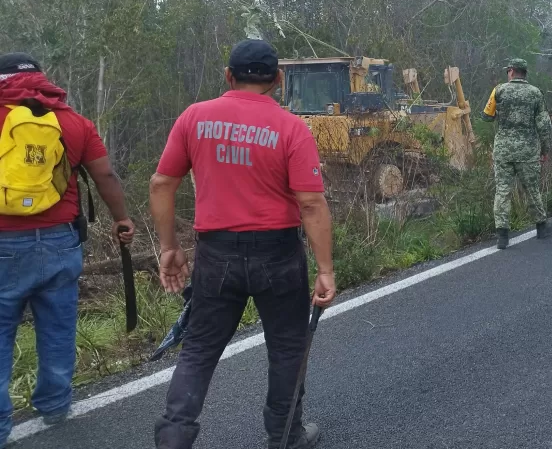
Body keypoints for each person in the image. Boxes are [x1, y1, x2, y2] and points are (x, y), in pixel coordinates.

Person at [150, 39, 336, 449]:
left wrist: (169, 247)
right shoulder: (292, 127)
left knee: (198, 350)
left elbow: (162, 183)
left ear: (228, 76)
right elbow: (310, 203)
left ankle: (174, 438)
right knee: (287, 347)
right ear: (279, 80)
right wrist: (325, 269)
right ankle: (285, 435)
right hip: (279, 254)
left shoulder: (194, 118)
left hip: (216, 255)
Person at [0, 53, 134, 447]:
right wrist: (121, 218)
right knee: (57, 327)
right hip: (59, 241)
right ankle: (56, 405)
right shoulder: (74, 122)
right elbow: (104, 174)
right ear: (43, 80)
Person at [482, 58, 552, 250]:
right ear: (525, 72)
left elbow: (486, 116)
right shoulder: (535, 93)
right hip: (528, 151)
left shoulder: (499, 90)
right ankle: (541, 226)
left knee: (502, 191)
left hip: (503, 151)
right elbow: (544, 125)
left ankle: (502, 236)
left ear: (512, 71)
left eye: (508, 71)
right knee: (532, 189)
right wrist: (545, 150)